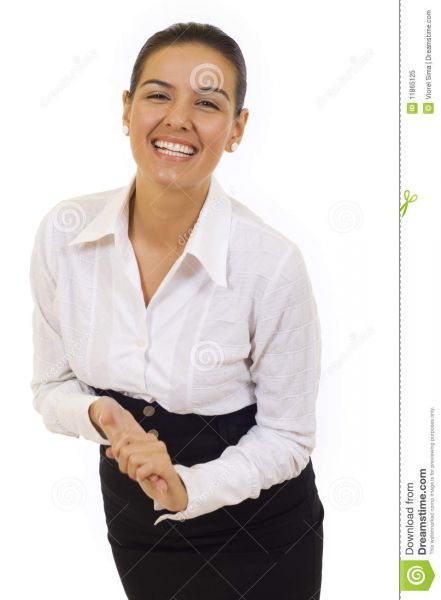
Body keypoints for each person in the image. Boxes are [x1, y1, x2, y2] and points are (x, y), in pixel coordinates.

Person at [30, 21, 324, 600]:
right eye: (158, 95)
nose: (178, 119)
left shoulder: (270, 264)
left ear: (237, 129)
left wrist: (188, 488)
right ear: (127, 109)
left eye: (208, 103)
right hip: (138, 522)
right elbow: (50, 386)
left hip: (260, 533)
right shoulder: (64, 236)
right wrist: (103, 418)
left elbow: (288, 435)